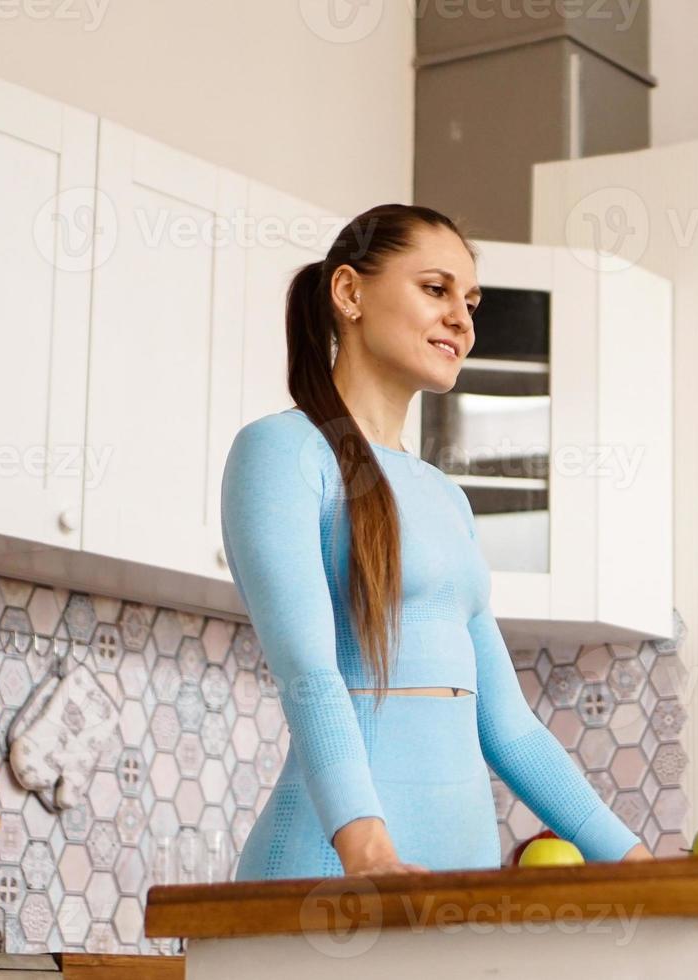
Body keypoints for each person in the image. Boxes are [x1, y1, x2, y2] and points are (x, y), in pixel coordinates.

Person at [220, 203, 651, 878]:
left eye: (470, 301)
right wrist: (369, 855)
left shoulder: (446, 498)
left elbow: (509, 728)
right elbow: (309, 676)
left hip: (461, 871)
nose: (463, 319)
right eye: (436, 289)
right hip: (332, 870)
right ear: (349, 292)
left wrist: (634, 861)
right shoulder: (281, 452)